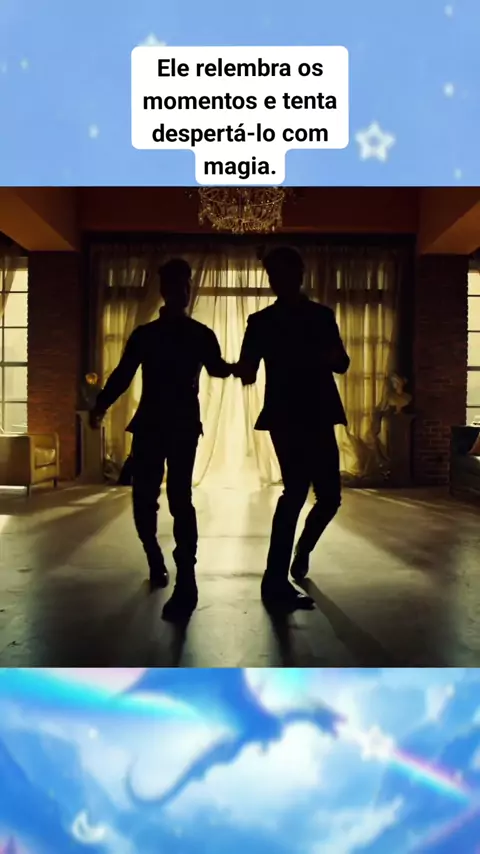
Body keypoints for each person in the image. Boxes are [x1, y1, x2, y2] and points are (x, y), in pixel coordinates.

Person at [90, 258, 232, 622]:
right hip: (160, 424)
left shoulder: (186, 334)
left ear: (188, 289)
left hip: (173, 425)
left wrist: (245, 364)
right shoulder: (157, 334)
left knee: (177, 498)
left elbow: (218, 368)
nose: (181, 291)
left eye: (184, 285)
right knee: (147, 498)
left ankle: (184, 573)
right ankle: (157, 556)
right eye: (175, 285)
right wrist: (101, 404)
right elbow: (123, 375)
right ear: (166, 291)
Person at [232, 246, 350, 613]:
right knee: (299, 493)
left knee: (327, 497)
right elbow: (248, 371)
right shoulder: (263, 321)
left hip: (307, 413)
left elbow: (342, 363)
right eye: (273, 276)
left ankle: (299, 553)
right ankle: (275, 579)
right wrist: (236, 366)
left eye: (281, 274)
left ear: (299, 275)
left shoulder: (315, 317)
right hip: (290, 415)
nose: (276, 281)